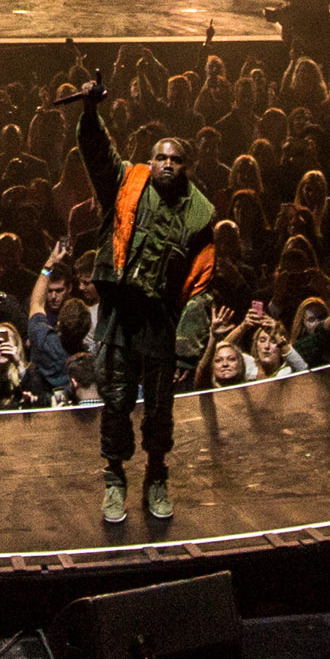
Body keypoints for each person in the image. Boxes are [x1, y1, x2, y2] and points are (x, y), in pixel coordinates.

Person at [73, 75, 215, 526]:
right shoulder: (127, 183)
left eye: (176, 159)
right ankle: (114, 480)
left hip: (158, 321)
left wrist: (186, 346)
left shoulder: (200, 213)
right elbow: (97, 154)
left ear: (187, 166)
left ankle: (157, 475)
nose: (167, 165)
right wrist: (91, 112)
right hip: (120, 316)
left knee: (158, 410)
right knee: (115, 403)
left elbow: (201, 282)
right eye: (160, 157)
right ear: (149, 160)